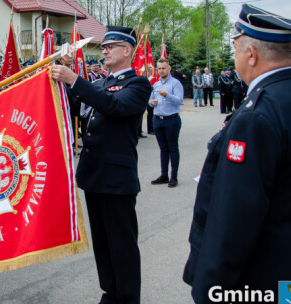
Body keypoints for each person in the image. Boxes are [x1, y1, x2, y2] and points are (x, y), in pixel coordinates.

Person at [183, 4, 291, 303]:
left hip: (264, 277)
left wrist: (211, 288)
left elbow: (234, 217)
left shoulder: (257, 115)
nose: (234, 56)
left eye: (236, 48)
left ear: (251, 54)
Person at [51, 25, 151, 304]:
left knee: (123, 245)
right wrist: (59, 81)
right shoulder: (98, 84)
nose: (104, 50)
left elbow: (114, 106)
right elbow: (74, 107)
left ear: (127, 50)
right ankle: (111, 291)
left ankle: (128, 297)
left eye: (111, 46)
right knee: (103, 243)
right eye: (103, 46)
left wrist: (74, 80)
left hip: (117, 179)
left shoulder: (138, 84)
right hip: (94, 175)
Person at [149, 58, 184, 188]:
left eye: (163, 68)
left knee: (173, 148)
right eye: (159, 68)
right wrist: (151, 103)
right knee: (163, 149)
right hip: (158, 119)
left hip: (171, 120)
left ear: (169, 69)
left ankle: (174, 176)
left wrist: (167, 95)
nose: (161, 70)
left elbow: (179, 100)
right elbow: (150, 99)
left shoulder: (175, 83)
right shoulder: (156, 84)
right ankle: (164, 175)